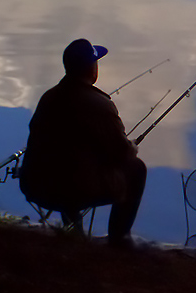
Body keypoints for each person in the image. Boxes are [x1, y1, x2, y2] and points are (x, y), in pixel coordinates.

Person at [19, 38, 147, 247]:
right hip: (67, 190)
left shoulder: (48, 97)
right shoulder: (101, 104)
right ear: (91, 68)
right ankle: (119, 239)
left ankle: (73, 229)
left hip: (35, 186)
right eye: (96, 62)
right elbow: (122, 154)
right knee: (136, 169)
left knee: (70, 161)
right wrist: (131, 146)